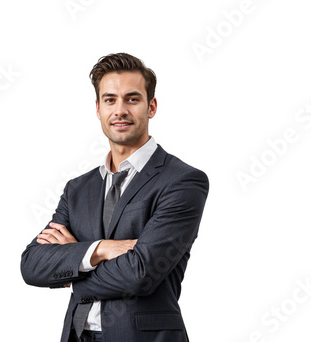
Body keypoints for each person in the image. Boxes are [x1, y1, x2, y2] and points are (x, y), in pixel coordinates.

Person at [21, 52, 209, 342]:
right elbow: (32, 264)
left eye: (132, 99)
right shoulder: (78, 189)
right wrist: (100, 249)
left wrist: (74, 270)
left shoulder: (182, 181)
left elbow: (141, 274)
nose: (120, 110)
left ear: (151, 107)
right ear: (98, 109)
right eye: (110, 100)